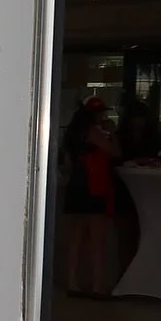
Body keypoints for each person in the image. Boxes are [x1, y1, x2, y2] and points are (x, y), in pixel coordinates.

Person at [60, 96, 120, 296]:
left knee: (76, 238)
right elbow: (115, 152)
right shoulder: (94, 132)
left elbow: (67, 165)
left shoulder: (72, 134)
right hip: (94, 188)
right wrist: (111, 133)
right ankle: (97, 285)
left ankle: (72, 282)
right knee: (97, 240)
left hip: (76, 185)